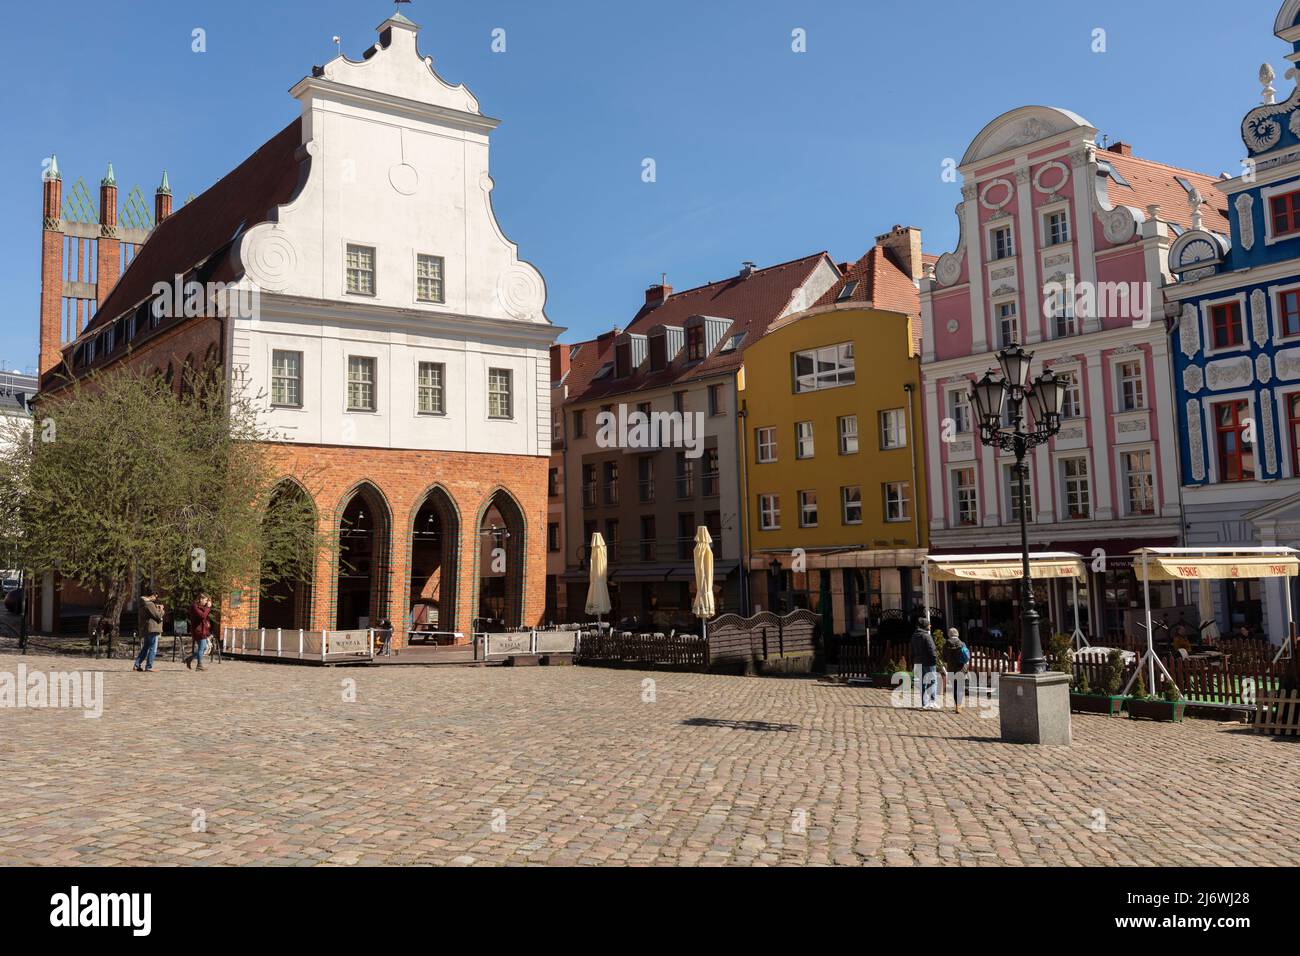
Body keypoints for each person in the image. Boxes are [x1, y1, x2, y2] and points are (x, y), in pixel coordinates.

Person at [134, 592, 165, 672]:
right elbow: (157, 616)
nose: (155, 598)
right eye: (155, 596)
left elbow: (150, 615)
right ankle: (149, 666)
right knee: (153, 648)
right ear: (151, 596)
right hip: (152, 629)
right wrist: (161, 610)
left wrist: (156, 608)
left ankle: (137, 665)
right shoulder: (149, 604)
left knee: (145, 648)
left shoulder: (142, 603)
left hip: (146, 629)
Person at [910, 623, 939, 709]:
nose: (930, 626)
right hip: (929, 662)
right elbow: (932, 649)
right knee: (932, 681)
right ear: (925, 626)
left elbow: (912, 649)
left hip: (918, 661)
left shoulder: (914, 636)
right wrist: (935, 660)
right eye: (929, 625)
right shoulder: (926, 636)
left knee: (923, 682)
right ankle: (932, 702)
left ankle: (924, 703)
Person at [944, 628, 971, 712]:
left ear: (949, 634)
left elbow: (944, 658)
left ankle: (956, 705)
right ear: (957, 634)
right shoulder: (962, 644)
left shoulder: (946, 644)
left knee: (954, 687)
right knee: (960, 687)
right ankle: (959, 705)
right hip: (961, 668)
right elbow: (967, 657)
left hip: (951, 668)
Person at [185, 593, 212, 671]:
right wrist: (208, 607)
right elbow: (202, 616)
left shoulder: (201, 607)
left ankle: (190, 659)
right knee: (202, 648)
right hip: (198, 631)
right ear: (200, 599)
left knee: (204, 648)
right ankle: (199, 665)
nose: (206, 602)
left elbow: (204, 617)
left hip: (203, 630)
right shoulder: (194, 606)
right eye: (205, 600)